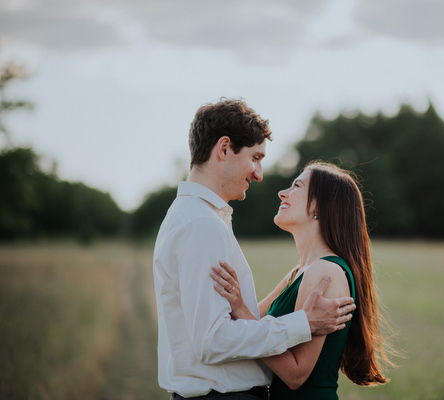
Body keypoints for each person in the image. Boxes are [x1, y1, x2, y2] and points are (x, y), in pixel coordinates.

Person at [153, 99, 356, 400]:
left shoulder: (199, 218)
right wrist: (303, 324)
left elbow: (229, 324)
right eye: (255, 157)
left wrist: (241, 308)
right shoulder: (201, 224)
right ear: (224, 149)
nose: (259, 174)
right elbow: (213, 340)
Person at [212, 161, 393, 399]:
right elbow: (254, 323)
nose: (282, 193)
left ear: (319, 205)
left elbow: (296, 374)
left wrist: (239, 307)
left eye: (296, 185)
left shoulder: (324, 273)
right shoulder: (300, 271)